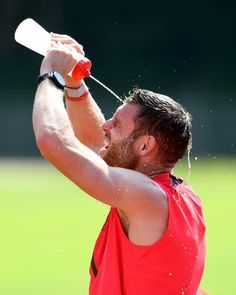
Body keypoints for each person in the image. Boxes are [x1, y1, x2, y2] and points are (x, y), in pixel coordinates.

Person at [32, 33, 207, 295]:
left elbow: (51, 139)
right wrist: (74, 83)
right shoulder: (177, 194)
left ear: (145, 146)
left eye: (117, 125)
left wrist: (51, 76)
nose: (105, 126)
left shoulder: (146, 195)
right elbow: (96, 147)